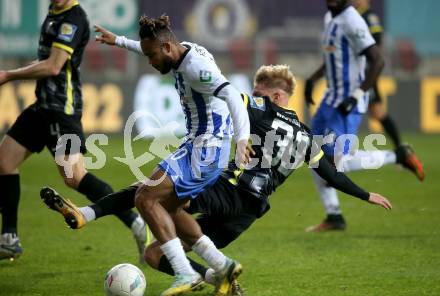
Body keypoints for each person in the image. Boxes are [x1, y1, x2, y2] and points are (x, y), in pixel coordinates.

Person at [41, 64, 392, 296]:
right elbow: (330, 175)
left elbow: (223, 93)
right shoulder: (305, 137)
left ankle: (88, 215)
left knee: (149, 193)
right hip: (247, 215)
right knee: (152, 254)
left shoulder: (262, 108)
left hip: (229, 190)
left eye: (259, 90)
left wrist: (192, 70)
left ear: (276, 95)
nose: (253, 95)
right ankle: (217, 278)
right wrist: (366, 194)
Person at [44, 15, 250, 296]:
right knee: (166, 207)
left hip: (205, 148)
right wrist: (118, 41)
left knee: (145, 197)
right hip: (202, 147)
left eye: (152, 56)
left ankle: (185, 273)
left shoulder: (195, 67)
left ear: (166, 48)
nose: (150, 62)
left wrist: (242, 139)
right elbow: (148, 47)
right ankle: (222, 265)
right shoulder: (180, 48)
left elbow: (232, 96)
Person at [0, 0, 145, 262]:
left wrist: (9, 74)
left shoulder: (73, 19)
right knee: (4, 161)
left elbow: (54, 66)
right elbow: (46, 60)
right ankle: (9, 238)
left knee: (74, 176)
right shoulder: (54, 13)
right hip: (41, 108)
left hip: (61, 110)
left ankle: (135, 222)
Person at [303, 0, 425, 232]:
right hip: (330, 99)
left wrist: (357, 94)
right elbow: (333, 59)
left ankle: (397, 156)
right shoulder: (331, 18)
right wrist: (313, 78)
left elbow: (378, 60)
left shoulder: (352, 19)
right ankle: (334, 215)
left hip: (347, 103)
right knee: (312, 152)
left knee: (336, 164)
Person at [352, 0, 402, 149]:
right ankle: (401, 149)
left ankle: (401, 150)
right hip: (359, 70)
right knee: (376, 112)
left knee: (376, 112)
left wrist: (371, 67)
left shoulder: (368, 16)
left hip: (366, 71)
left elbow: (377, 42)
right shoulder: (355, 15)